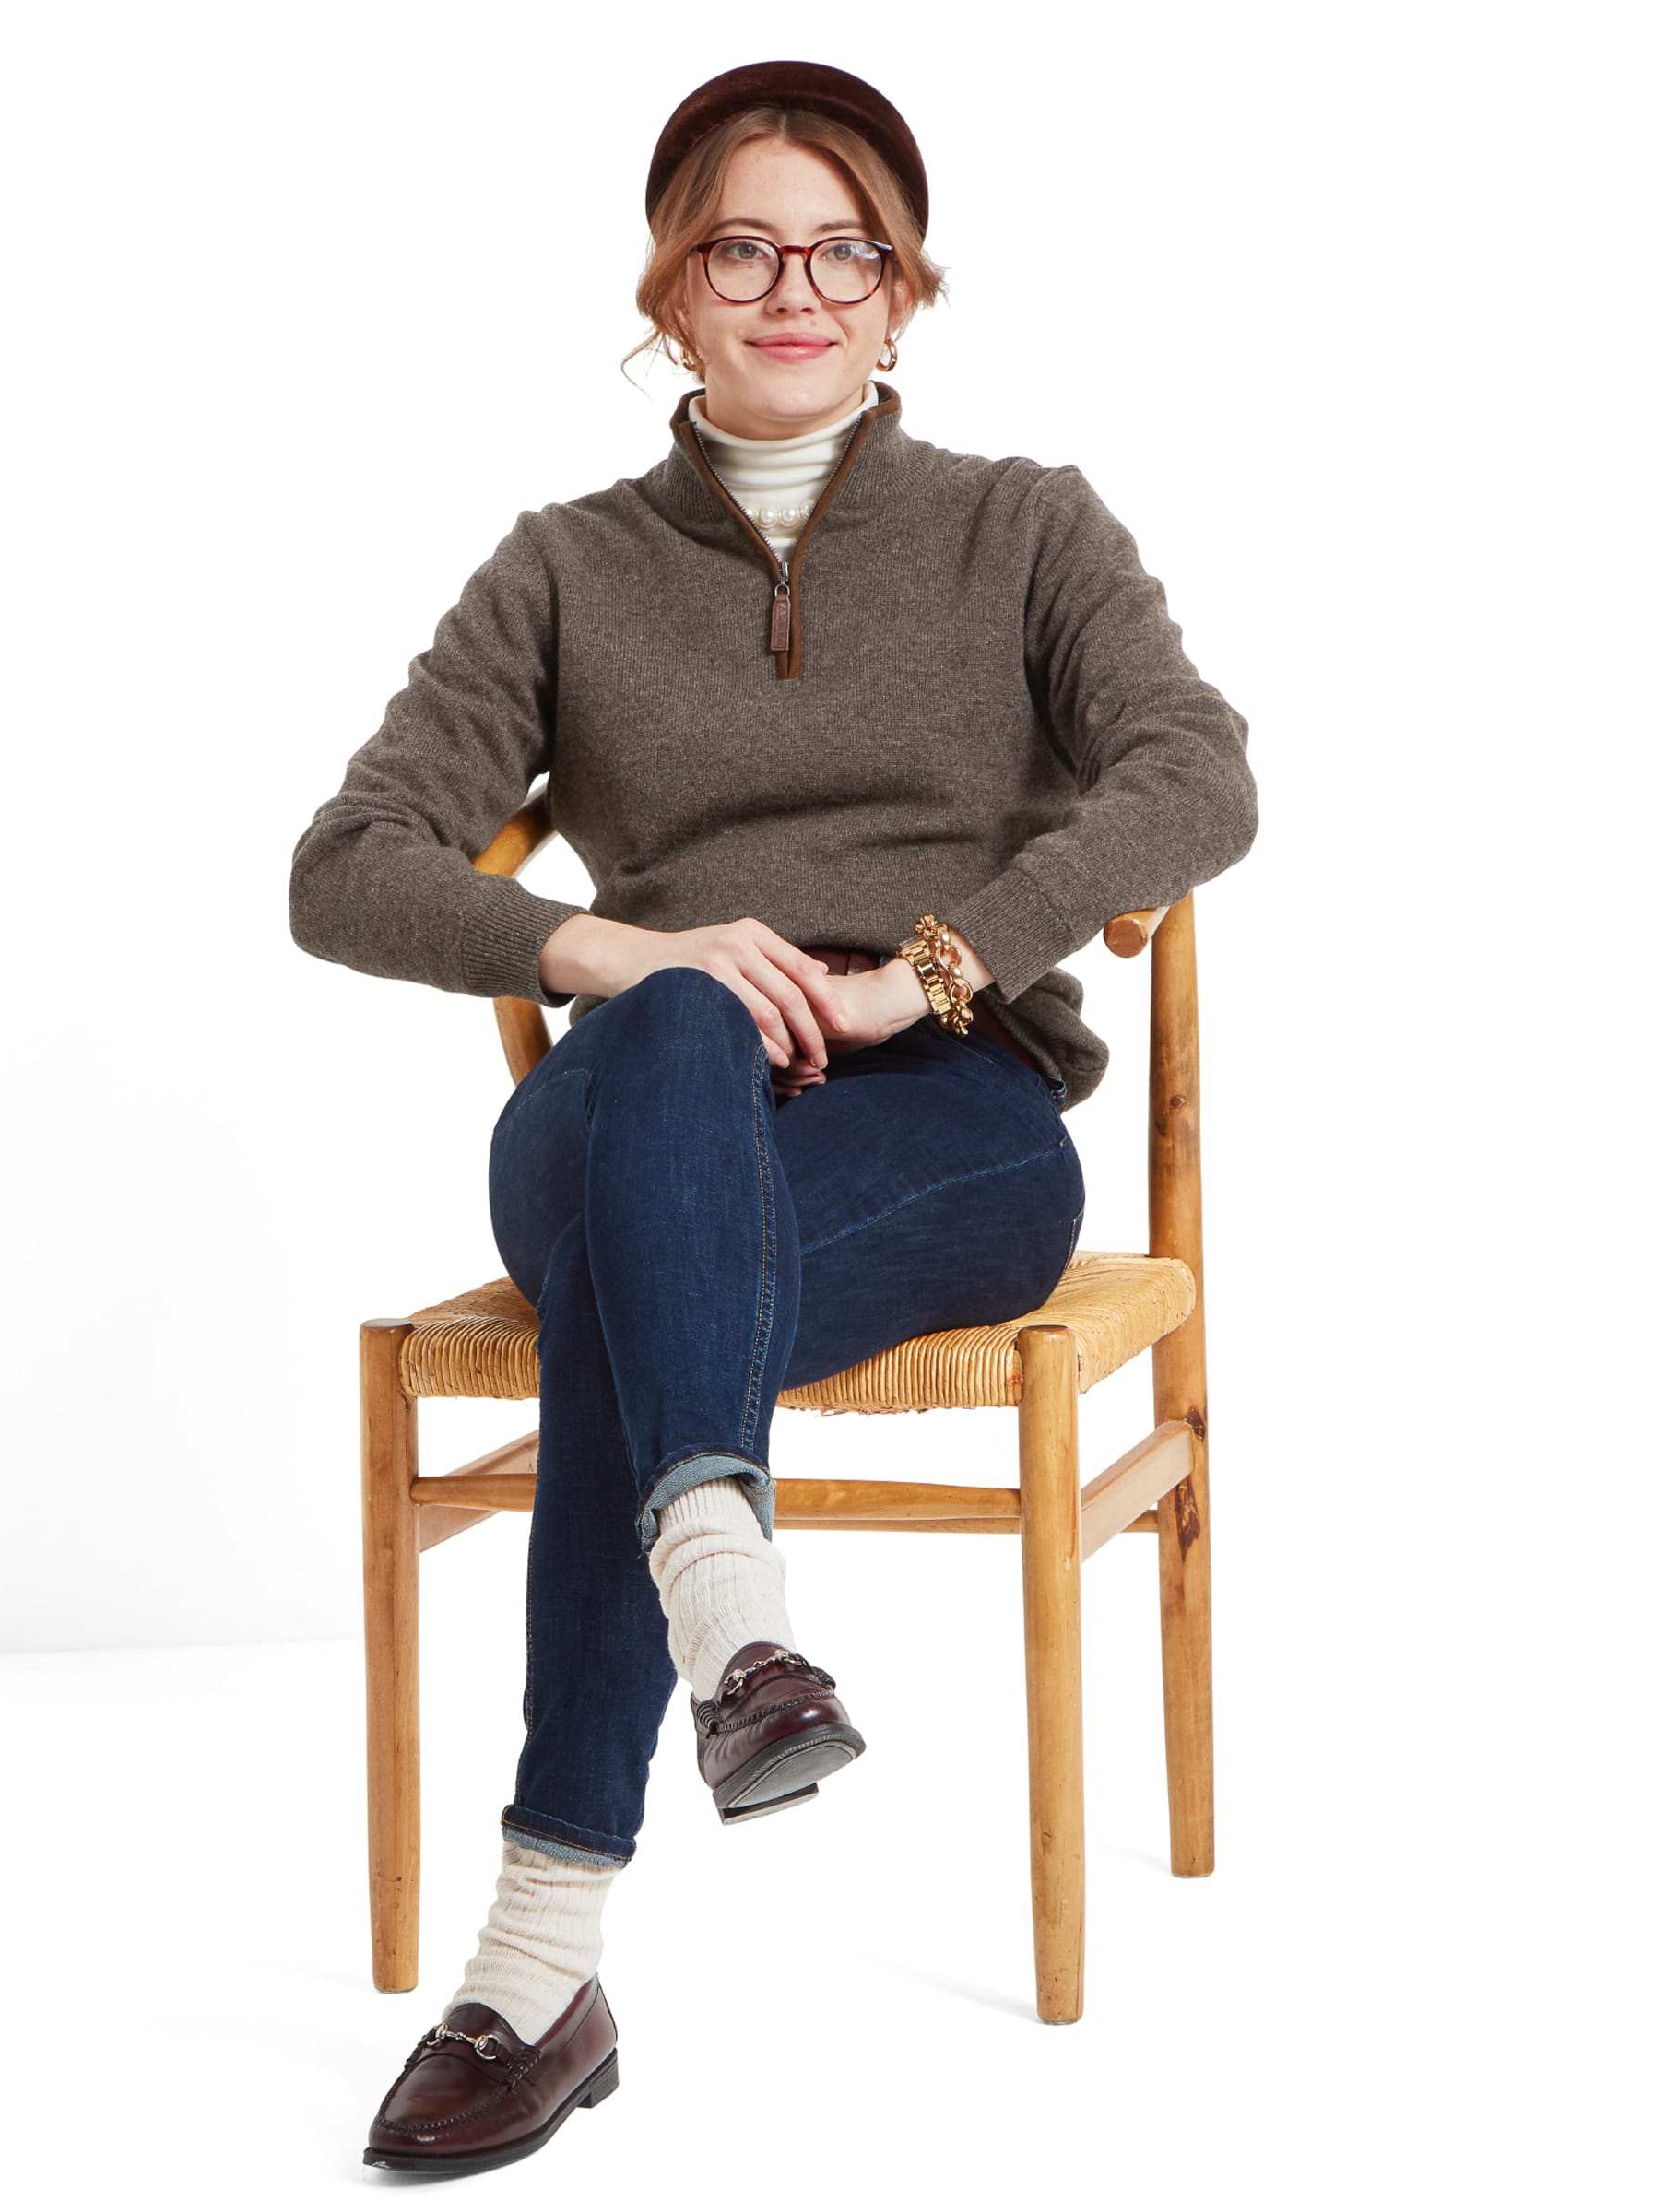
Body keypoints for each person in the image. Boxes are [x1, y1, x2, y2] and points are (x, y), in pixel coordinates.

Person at [288, 58, 1258, 2180]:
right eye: (743, 245)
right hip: (632, 1096)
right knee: (669, 1092)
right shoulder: (560, 570)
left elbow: (1196, 778)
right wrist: (619, 955)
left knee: (651, 1307)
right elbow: (344, 863)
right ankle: (728, 1622)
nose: (794, 287)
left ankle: (540, 1959)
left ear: (907, 292)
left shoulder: (1029, 528)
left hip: (947, 1124)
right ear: (671, 287)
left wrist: (923, 967)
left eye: (846, 249)